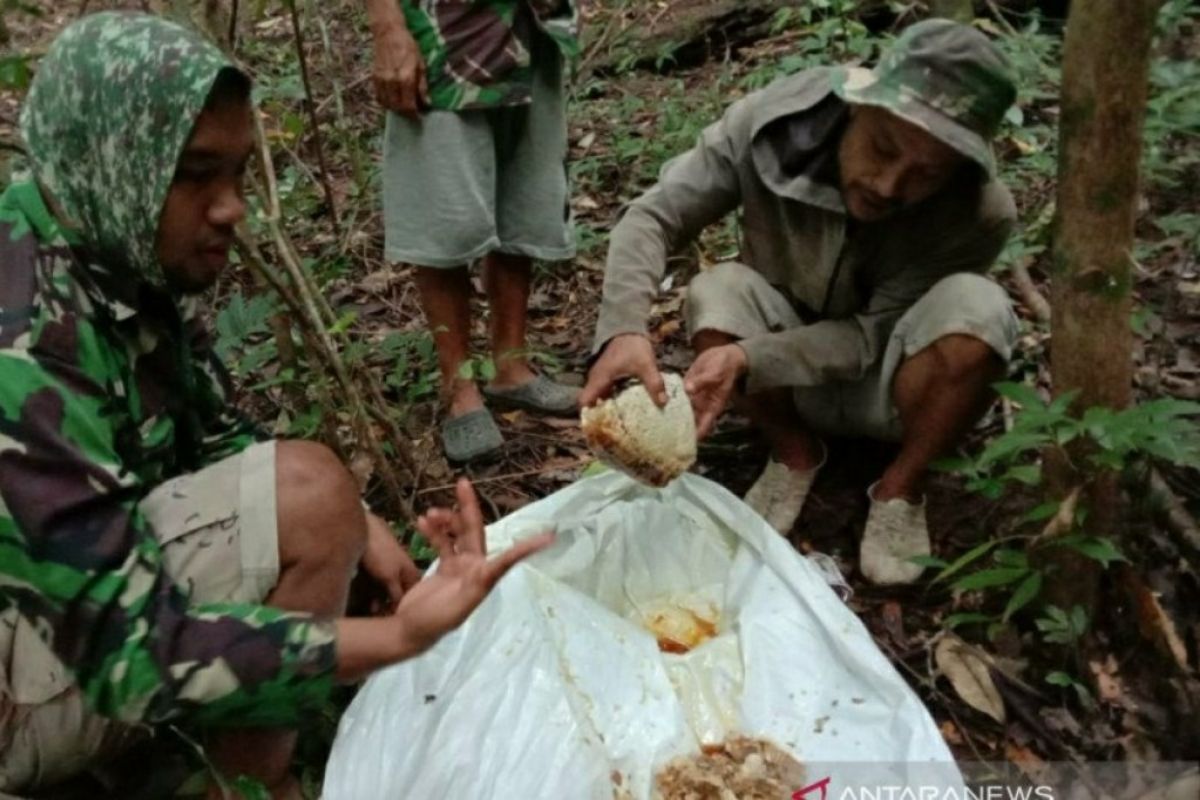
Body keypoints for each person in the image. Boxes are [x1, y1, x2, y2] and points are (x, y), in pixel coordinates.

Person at [0, 13, 550, 799]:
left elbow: (223, 437)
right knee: (311, 496)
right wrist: (390, 637)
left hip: (68, 629)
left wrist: (360, 527)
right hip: (33, 689)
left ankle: (212, 770)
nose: (232, 210)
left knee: (319, 502)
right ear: (110, 158)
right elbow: (125, 659)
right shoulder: (20, 340)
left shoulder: (110, 245)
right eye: (195, 175)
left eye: (238, 175)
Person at [581, 20, 1021, 585]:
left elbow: (872, 336)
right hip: (782, 374)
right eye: (883, 148)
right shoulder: (768, 128)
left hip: (887, 383)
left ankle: (901, 488)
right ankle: (792, 451)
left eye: (925, 174)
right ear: (857, 106)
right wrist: (623, 329)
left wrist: (748, 360)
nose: (888, 185)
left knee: (980, 310)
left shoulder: (979, 213)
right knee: (716, 292)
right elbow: (654, 216)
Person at [365, 0, 582, 462]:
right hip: (444, 35)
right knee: (445, 215)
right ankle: (459, 389)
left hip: (533, 28)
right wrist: (388, 27)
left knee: (526, 195)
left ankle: (511, 367)